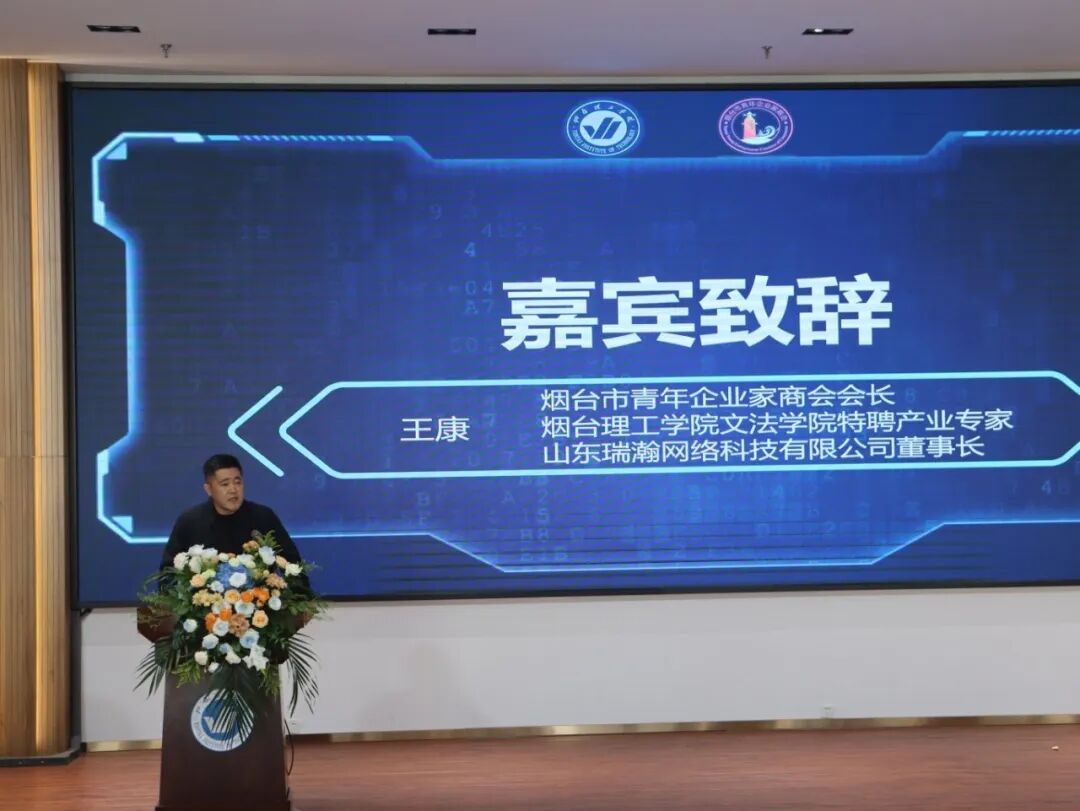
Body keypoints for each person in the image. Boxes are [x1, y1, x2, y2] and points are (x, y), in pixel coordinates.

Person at [160, 453, 306, 574]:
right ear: (208, 489)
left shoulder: (263, 517)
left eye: (237, 482)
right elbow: (168, 572)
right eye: (225, 484)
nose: (233, 489)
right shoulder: (190, 522)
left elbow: (293, 564)